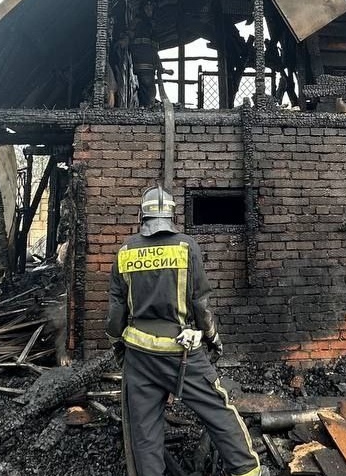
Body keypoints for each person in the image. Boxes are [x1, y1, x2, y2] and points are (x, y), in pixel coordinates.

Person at [107, 187, 260, 476]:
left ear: (142, 214)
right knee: (217, 409)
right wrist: (212, 337)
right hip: (182, 353)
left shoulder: (125, 252)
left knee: (144, 430)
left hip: (139, 355)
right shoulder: (186, 247)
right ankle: (246, 470)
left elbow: (116, 313)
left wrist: (117, 345)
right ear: (171, 215)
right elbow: (200, 302)